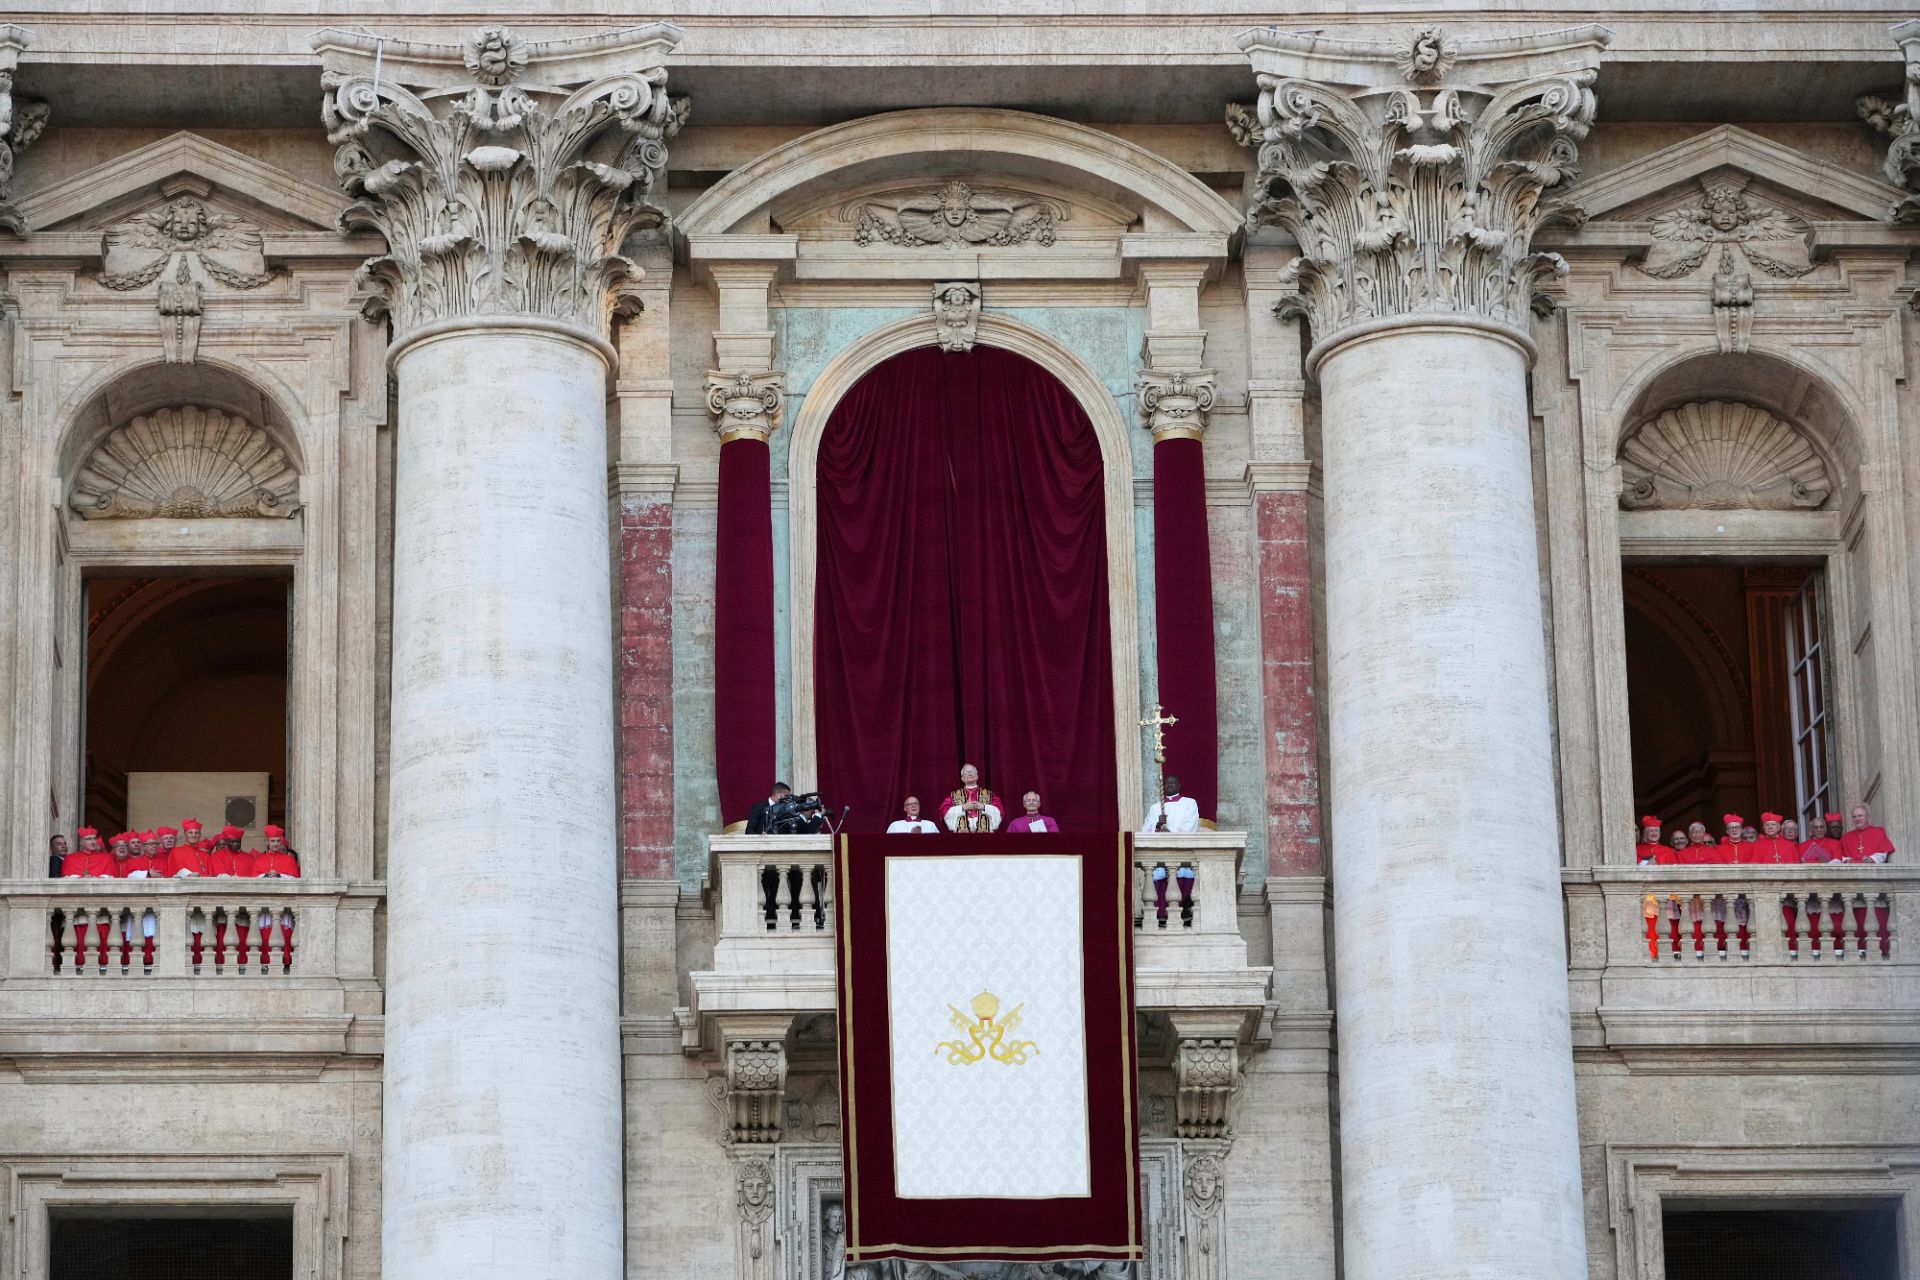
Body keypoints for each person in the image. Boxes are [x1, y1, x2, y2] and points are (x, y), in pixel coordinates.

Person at [939, 764, 1002, 833]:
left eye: (972, 772)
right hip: (960, 839)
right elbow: (944, 813)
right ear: (962, 778)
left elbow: (1000, 812)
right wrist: (962, 808)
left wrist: (984, 807)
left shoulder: (990, 795)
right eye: (966, 772)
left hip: (985, 837)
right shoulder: (952, 797)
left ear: (977, 776)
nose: (970, 774)